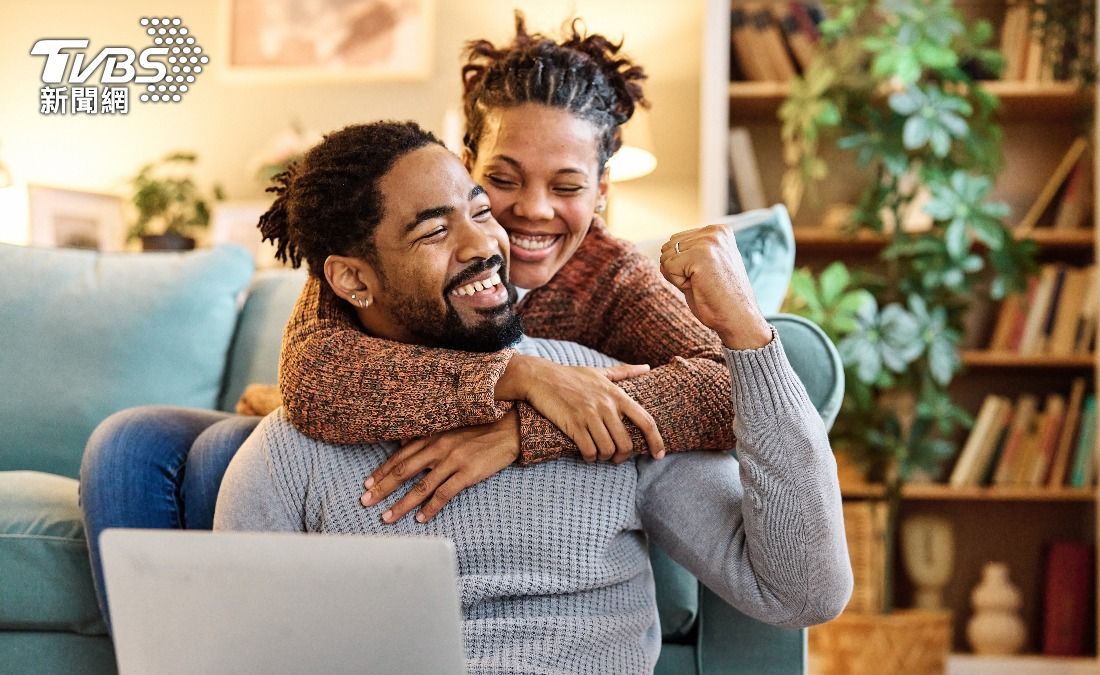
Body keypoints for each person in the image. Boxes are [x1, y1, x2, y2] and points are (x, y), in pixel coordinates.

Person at [81, 15, 735, 621]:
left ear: (600, 192)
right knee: (130, 442)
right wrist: (524, 376)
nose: (532, 210)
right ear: (465, 165)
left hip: (434, 477)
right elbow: (315, 376)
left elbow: (731, 391)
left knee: (223, 456)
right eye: (503, 180)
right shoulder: (394, 249)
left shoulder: (612, 277)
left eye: (566, 187)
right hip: (337, 431)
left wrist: (524, 429)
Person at [214, 118, 852, 673]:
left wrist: (747, 334)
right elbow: (238, 655)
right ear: (353, 280)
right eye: (433, 232)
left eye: (479, 212)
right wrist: (513, 380)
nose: (487, 244)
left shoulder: (606, 394)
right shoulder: (291, 447)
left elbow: (804, 592)